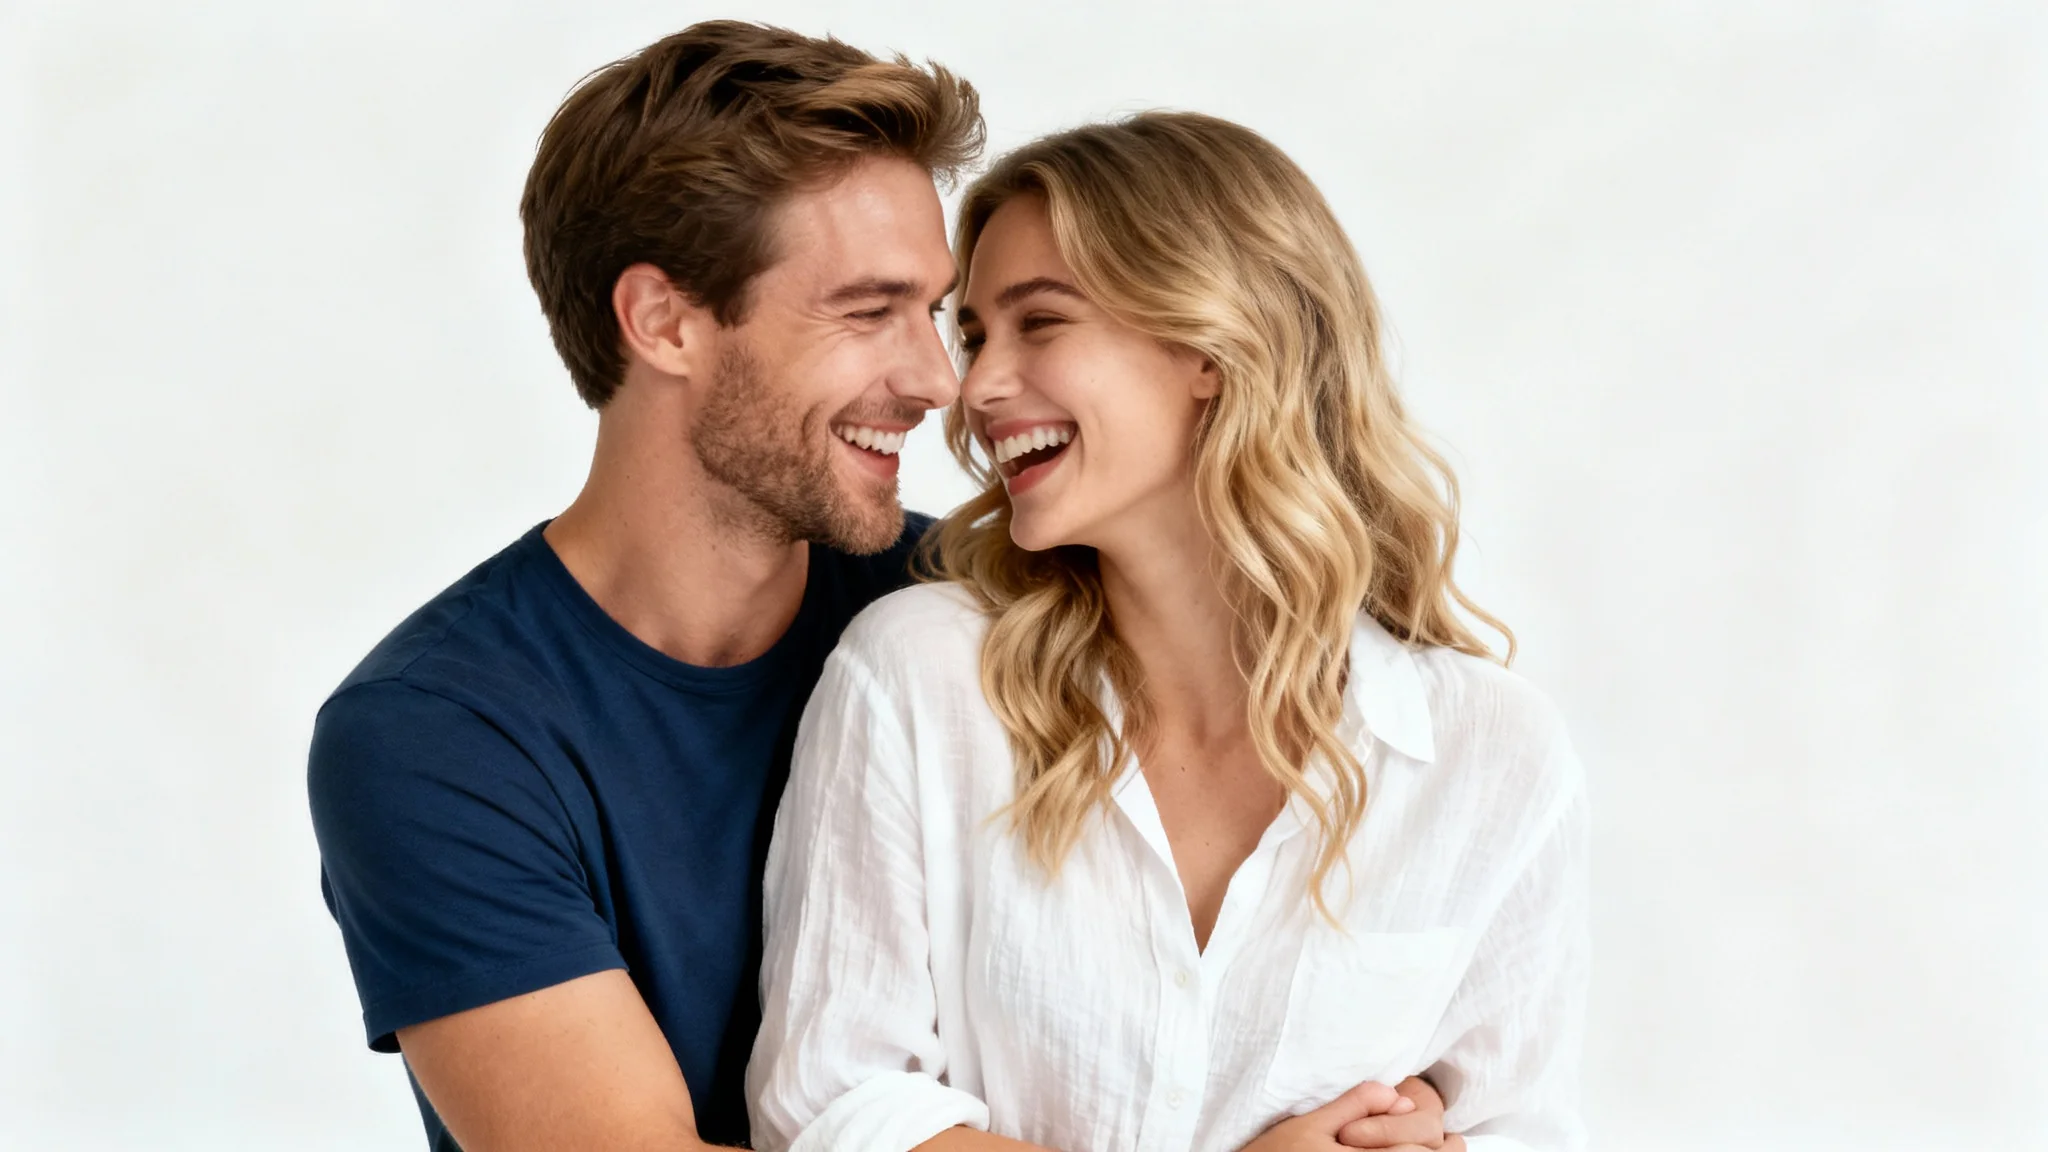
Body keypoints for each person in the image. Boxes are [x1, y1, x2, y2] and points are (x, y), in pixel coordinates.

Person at [749, 112, 1590, 1152]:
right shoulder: (921, 677)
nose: (971, 389)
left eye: (1038, 323)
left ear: (1207, 343)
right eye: (974, 336)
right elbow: (831, 1107)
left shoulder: (1487, 752)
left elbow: (1516, 1124)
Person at [305, 21, 985, 1150]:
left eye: (934, 312)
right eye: (868, 312)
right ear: (662, 321)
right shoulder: (436, 734)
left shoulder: (979, 609)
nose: (935, 380)